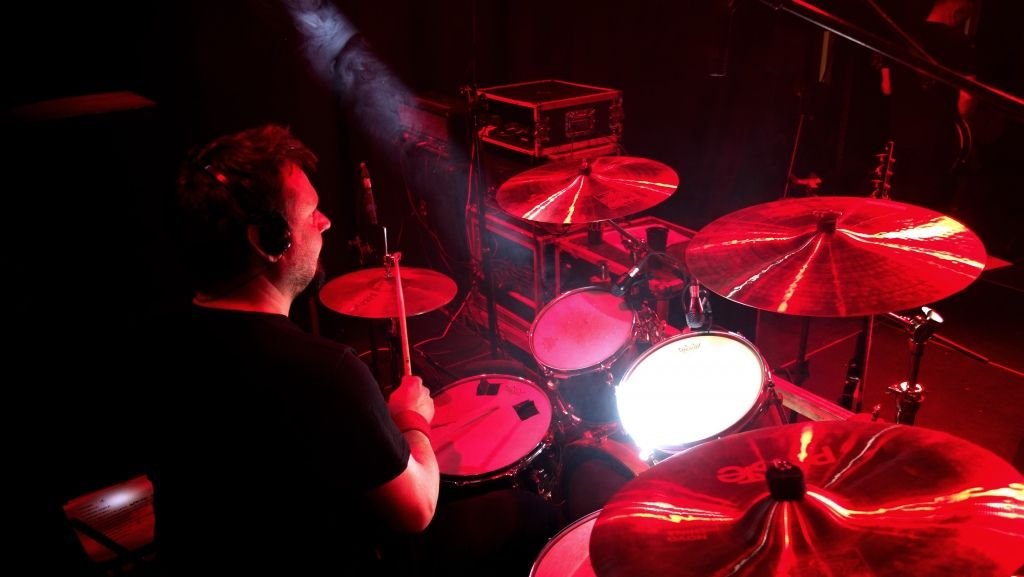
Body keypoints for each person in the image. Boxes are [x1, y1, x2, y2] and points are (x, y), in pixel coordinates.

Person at [148, 124, 560, 577]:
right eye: (311, 212)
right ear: (269, 240)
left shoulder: (160, 344)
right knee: (530, 513)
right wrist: (412, 420)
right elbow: (417, 510)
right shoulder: (324, 373)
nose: (325, 221)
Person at [877, 0, 978, 211]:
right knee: (928, 211)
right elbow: (966, 99)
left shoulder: (900, 36)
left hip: (900, 136)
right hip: (937, 144)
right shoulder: (960, 43)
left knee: (895, 204)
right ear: (957, 7)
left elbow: (886, 87)